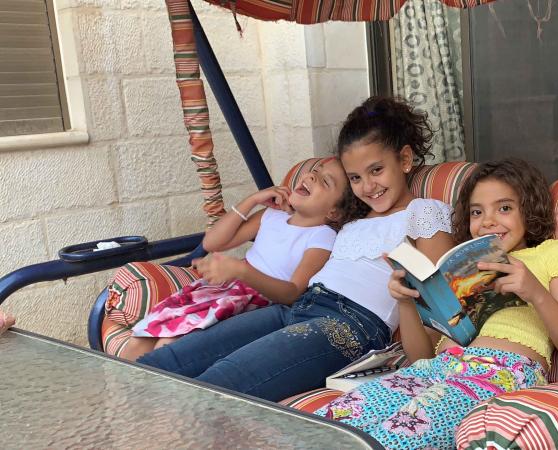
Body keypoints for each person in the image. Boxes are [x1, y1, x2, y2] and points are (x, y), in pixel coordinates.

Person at [137, 96, 454, 402]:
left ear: (405, 159)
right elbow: (301, 223)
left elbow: (441, 306)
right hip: (296, 308)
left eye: (376, 170)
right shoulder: (352, 219)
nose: (368, 186)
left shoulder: (423, 213)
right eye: (355, 177)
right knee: (166, 363)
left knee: (220, 382)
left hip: (348, 325)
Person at [317, 158, 558, 450]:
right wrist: (406, 302)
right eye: (477, 212)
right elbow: (420, 356)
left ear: (528, 209)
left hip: (499, 374)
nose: (488, 221)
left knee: (394, 437)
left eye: (504, 208)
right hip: (435, 369)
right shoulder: (457, 270)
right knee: (333, 422)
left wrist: (536, 293)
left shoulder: (549, 254)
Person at [118, 158, 355, 361]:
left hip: (256, 303)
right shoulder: (271, 215)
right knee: (139, 340)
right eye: (314, 172)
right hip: (222, 289)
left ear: (334, 212)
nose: (312, 177)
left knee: (169, 343)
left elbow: (292, 293)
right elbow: (212, 243)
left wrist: (240, 271)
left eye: (325, 181)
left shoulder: (322, 237)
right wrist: (252, 200)